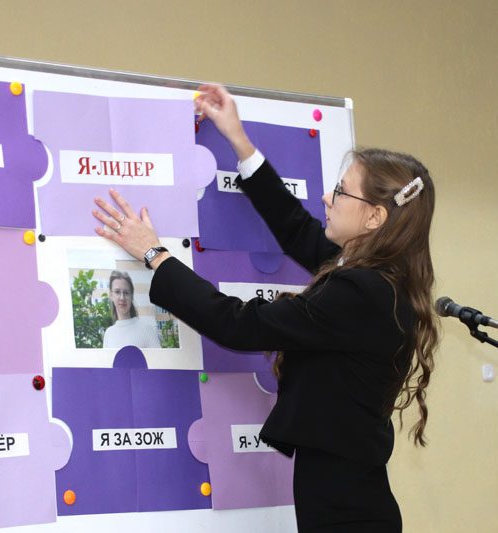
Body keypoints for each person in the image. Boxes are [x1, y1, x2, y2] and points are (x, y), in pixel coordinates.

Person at [92, 84, 438, 532]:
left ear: (374, 217)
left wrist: (155, 255)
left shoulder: (362, 291)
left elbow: (239, 325)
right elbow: (296, 230)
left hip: (347, 512)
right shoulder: (376, 279)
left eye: (341, 192)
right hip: (347, 497)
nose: (327, 198)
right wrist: (239, 140)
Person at [102, 270, 161, 349]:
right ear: (111, 295)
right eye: (117, 292)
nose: (122, 297)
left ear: (132, 296)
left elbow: (159, 357)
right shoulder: (108, 334)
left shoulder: (147, 330)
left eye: (126, 293)